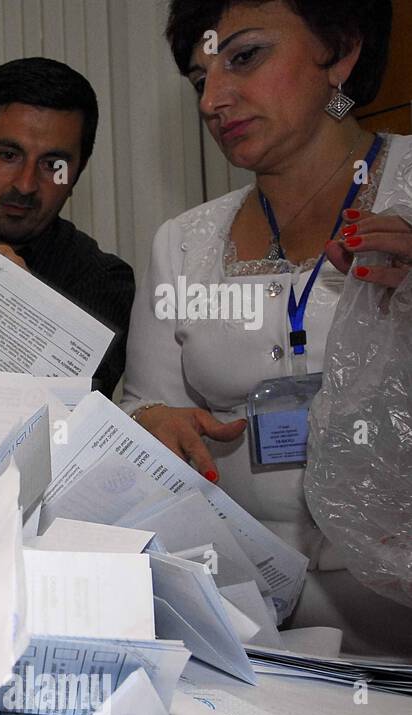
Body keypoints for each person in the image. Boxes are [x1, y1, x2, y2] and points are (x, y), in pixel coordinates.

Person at [123, 0, 409, 651]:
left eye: (244, 57)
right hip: (246, 627)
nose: (212, 100)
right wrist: (149, 426)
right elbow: (145, 406)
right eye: (200, 79)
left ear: (339, 50)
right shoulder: (184, 244)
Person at [0, 58, 136, 396]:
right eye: (8, 155)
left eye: (52, 165)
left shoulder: (103, 283)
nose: (27, 184)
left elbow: (67, 419)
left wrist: (20, 299)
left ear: (78, 172)